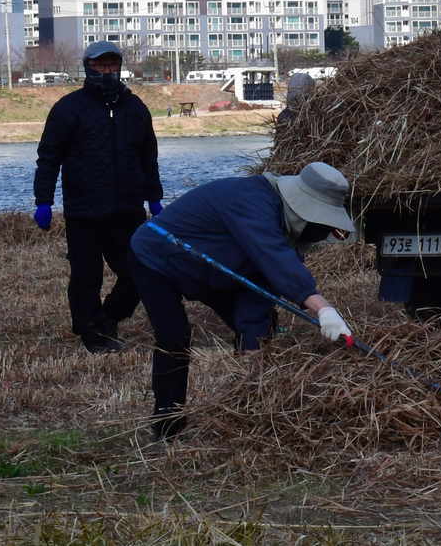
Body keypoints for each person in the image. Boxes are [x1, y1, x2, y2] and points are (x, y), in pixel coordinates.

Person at [128, 161, 356, 441]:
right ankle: (167, 425)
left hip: (211, 269)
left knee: (263, 328)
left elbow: (260, 294)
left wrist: (253, 360)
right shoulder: (253, 201)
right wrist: (324, 309)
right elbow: (276, 259)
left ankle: (246, 407)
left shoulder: (283, 231)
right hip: (157, 255)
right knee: (174, 335)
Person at [34, 40, 164, 353]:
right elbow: (49, 157)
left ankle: (108, 318)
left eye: (111, 65)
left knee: (140, 269)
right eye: (99, 65)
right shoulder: (68, 108)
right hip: (84, 209)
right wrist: (44, 201)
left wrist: (154, 197)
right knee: (86, 277)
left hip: (128, 208)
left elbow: (148, 157)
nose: (106, 71)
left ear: (119, 67)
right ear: (87, 67)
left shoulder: (135, 108)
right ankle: (90, 332)